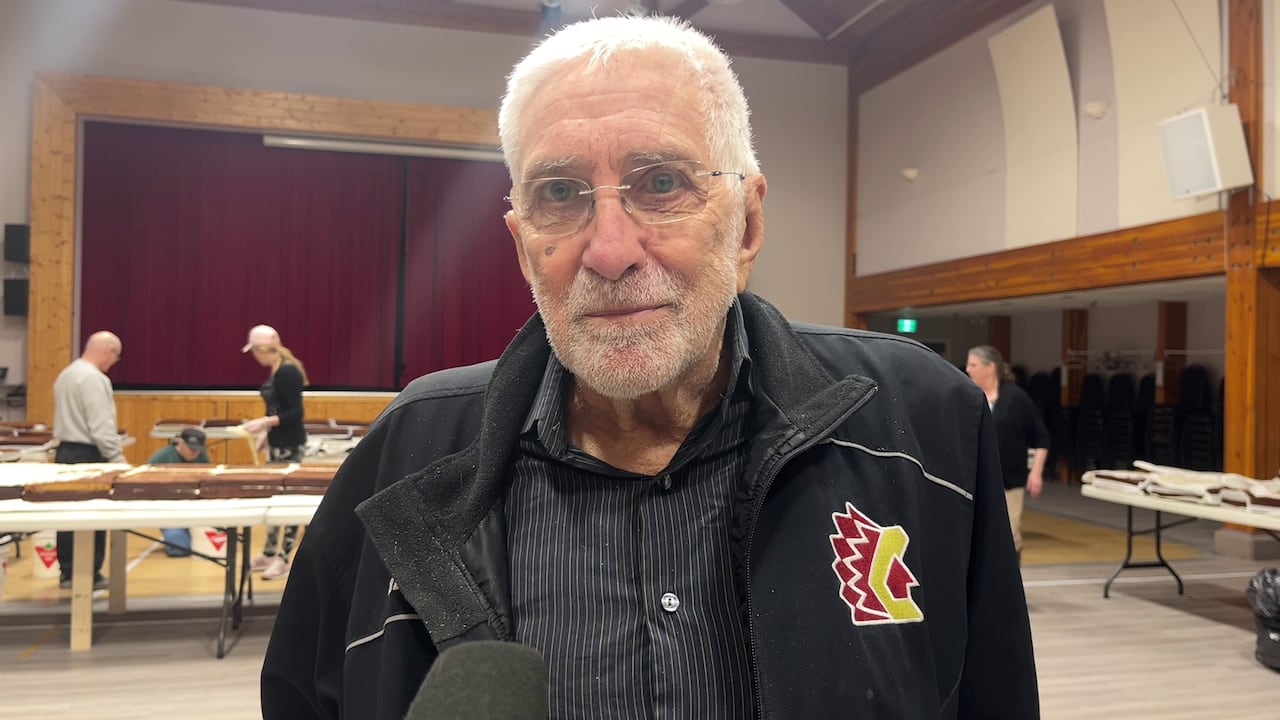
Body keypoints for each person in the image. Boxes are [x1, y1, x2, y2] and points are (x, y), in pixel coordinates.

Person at [261, 16, 1038, 719]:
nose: (608, 250)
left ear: (747, 224)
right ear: (521, 241)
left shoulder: (921, 421)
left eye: (661, 183)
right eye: (560, 193)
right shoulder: (408, 452)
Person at [53, 330, 125, 590]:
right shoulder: (94, 379)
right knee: (94, 514)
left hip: (65, 453)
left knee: (66, 514)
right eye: (115, 358)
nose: (112, 364)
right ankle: (89, 572)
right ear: (108, 351)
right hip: (89, 456)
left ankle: (68, 571)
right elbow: (101, 427)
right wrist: (118, 460)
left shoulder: (66, 374)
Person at [966, 345, 1050, 560]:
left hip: (1009, 479)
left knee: (1009, 533)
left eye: (973, 365)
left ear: (990, 367)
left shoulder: (1015, 397)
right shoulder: (969, 396)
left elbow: (1040, 436)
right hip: (974, 479)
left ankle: (1010, 583)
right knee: (977, 534)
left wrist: (1036, 472)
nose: (968, 369)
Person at [241, 324, 307, 580]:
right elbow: (277, 410)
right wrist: (265, 434)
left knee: (288, 503)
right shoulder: (278, 370)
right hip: (278, 443)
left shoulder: (287, 372)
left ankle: (283, 558)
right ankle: (269, 551)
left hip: (290, 446)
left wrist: (266, 423)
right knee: (273, 499)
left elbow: (295, 414)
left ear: (261, 349)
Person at [148, 426, 212, 557]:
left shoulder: (203, 457)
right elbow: (146, 482)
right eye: (191, 449)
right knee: (178, 549)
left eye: (198, 450)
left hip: (197, 507)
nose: (194, 453)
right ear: (180, 442)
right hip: (170, 510)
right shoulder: (161, 457)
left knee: (212, 544)